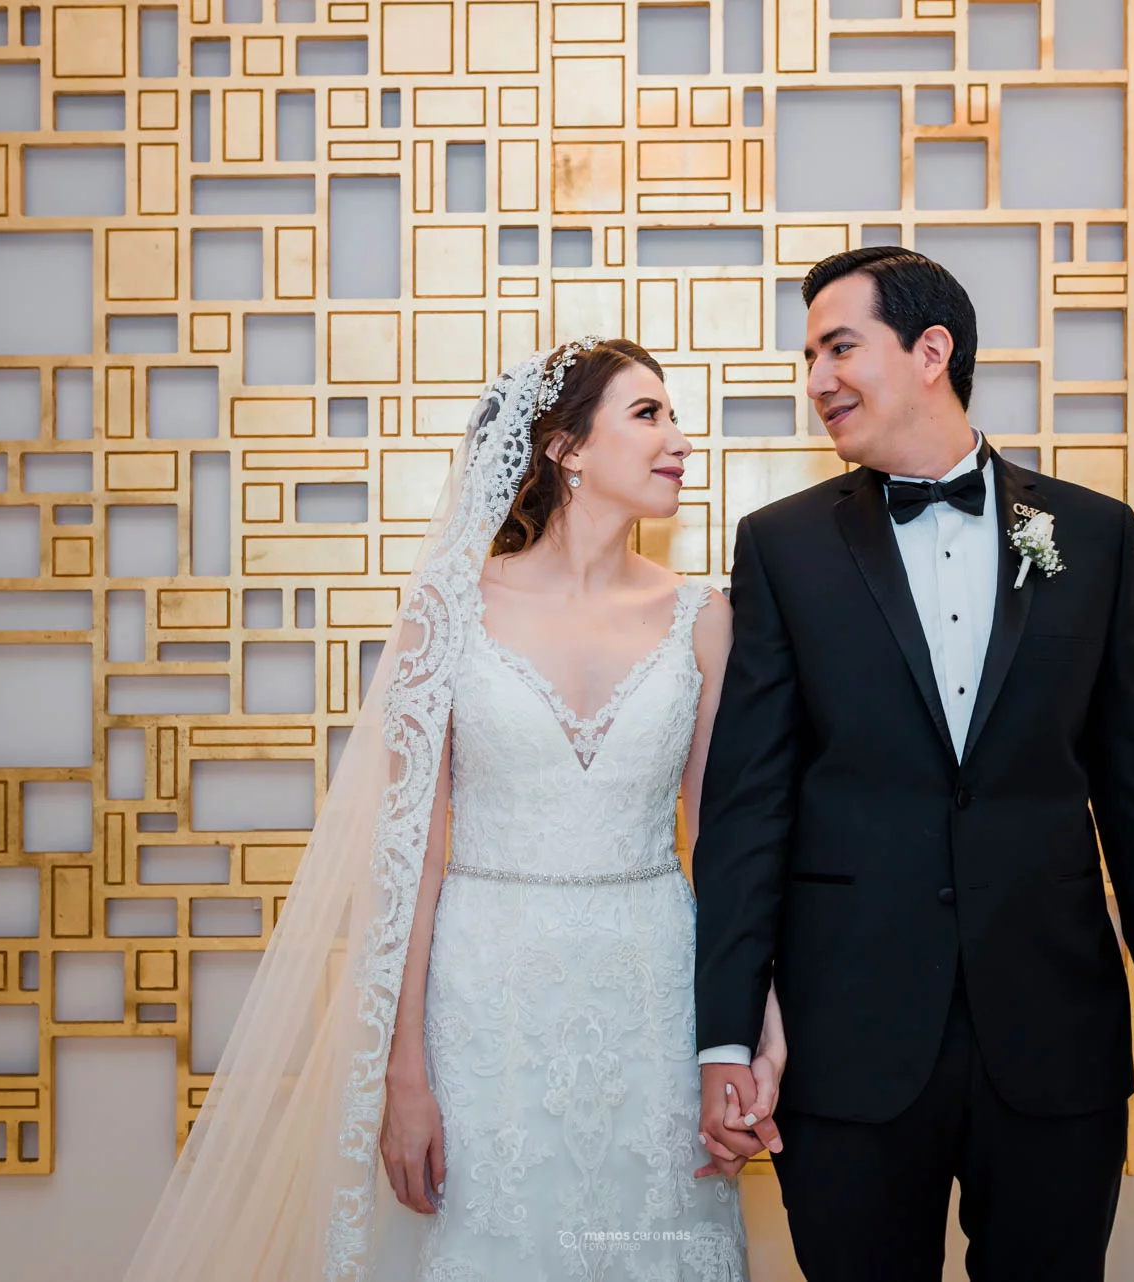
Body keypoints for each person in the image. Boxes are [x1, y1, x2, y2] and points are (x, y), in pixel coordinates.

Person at [122, 338, 782, 1282]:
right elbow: (410, 861)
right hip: (486, 998)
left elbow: (726, 847)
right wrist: (403, 1075)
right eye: (649, 415)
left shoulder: (703, 616)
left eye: (673, 416)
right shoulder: (449, 613)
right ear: (565, 448)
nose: (680, 439)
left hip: (654, 996)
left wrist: (755, 1030)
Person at [691, 246, 1134, 1282]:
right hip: (846, 1043)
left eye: (839, 347)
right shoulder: (782, 548)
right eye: (808, 356)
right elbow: (747, 808)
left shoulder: (1085, 535)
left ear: (932, 350)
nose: (818, 381)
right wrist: (724, 1038)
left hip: (1055, 1039)